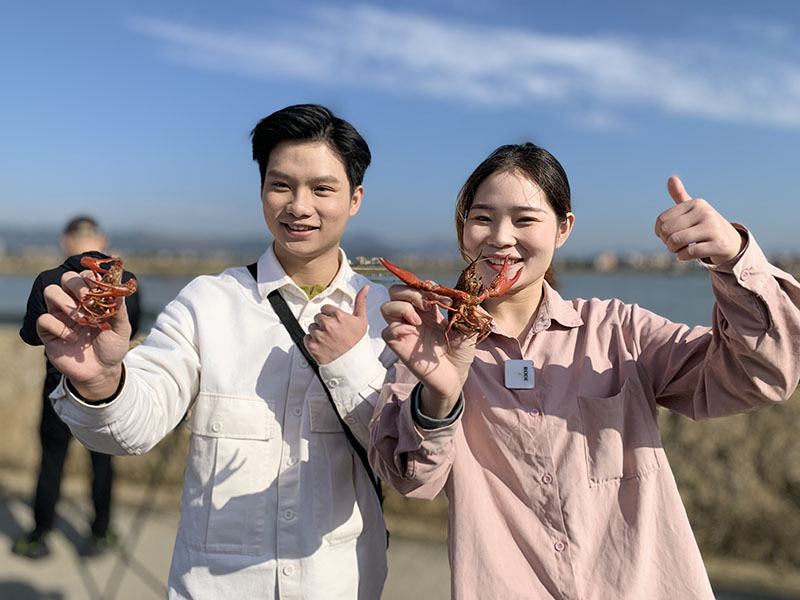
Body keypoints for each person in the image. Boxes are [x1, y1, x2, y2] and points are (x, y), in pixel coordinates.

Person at [370, 142, 800, 599]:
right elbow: (410, 478)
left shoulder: (618, 330)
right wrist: (440, 395)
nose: (500, 236)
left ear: (563, 229)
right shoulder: (431, 345)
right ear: (463, 231)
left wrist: (734, 260)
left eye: (525, 219)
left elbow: (763, 375)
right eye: (482, 218)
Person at [35, 105, 394, 599]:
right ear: (262, 190)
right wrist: (100, 380)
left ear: (355, 199)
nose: (299, 206)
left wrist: (350, 366)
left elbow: (410, 463)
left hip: (341, 583)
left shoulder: (390, 318)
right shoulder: (207, 303)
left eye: (322, 189)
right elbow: (135, 425)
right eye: (281, 185)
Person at [13, 216, 140, 559]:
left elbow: (29, 335)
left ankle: (39, 535)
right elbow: (133, 330)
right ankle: (100, 532)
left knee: (52, 461)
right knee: (102, 462)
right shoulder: (127, 280)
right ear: (104, 239)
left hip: (59, 385)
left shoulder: (47, 279)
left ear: (65, 241)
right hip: (102, 392)